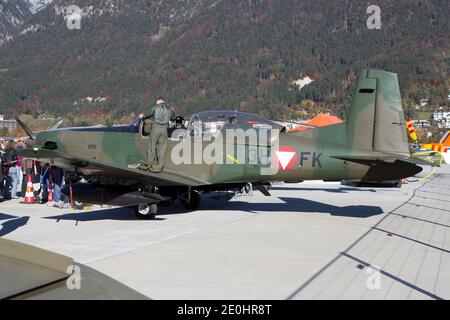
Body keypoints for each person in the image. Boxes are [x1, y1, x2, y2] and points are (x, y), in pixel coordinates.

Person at [140, 97, 175, 173]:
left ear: (158, 101)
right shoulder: (169, 110)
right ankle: (160, 167)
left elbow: (146, 115)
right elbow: (173, 118)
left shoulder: (155, 108)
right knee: (162, 148)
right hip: (164, 130)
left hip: (155, 129)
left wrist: (143, 117)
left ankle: (150, 165)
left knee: (152, 146)